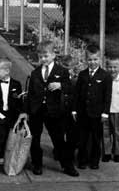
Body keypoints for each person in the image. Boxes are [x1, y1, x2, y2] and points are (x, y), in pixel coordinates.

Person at [18, 40, 79, 177]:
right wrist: (25, 111)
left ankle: (66, 165)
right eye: (40, 56)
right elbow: (30, 93)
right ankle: (37, 164)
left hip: (54, 110)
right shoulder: (35, 73)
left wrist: (60, 85)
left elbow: (70, 87)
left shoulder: (61, 71)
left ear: (53, 55)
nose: (43, 59)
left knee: (58, 138)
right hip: (37, 110)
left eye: (46, 56)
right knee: (35, 138)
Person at [72, 44, 112, 170]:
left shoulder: (105, 76)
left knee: (96, 138)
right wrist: (74, 109)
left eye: (95, 59)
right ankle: (82, 160)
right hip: (83, 112)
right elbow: (77, 94)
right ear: (86, 60)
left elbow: (107, 96)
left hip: (97, 113)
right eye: (90, 59)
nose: (92, 62)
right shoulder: (82, 75)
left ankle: (94, 161)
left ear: (100, 59)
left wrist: (105, 112)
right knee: (82, 138)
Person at [0, 57, 22, 165]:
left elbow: (19, 100)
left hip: (12, 114)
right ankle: (0, 155)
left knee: (11, 136)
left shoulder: (16, 84)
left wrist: (21, 112)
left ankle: (11, 154)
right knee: (0, 136)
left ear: (7, 71)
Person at [59, 54, 79, 160]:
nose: (66, 69)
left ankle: (69, 153)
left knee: (71, 133)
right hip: (60, 109)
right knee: (59, 132)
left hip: (71, 110)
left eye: (68, 66)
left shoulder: (75, 81)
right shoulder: (57, 78)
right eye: (63, 66)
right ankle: (59, 152)